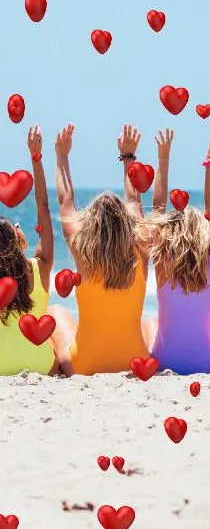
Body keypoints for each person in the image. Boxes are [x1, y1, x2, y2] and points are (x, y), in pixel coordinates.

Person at [49, 123, 152, 375]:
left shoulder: (81, 252)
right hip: (134, 361)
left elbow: (66, 201)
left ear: (90, 225)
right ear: (127, 225)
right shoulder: (141, 248)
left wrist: (62, 156)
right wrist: (128, 157)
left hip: (84, 365)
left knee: (55, 311)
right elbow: (133, 200)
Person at [144, 130, 210, 374]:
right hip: (206, 363)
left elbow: (158, 209)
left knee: (149, 323)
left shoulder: (163, 264)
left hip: (165, 362)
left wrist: (163, 159)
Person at [0, 126, 58, 375]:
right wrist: (36, 158)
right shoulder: (41, 266)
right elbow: (43, 206)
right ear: (18, 238)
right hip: (41, 368)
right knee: (55, 318)